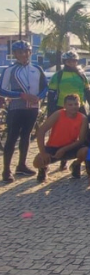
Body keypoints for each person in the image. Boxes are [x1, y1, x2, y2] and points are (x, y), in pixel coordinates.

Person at [0, 40, 48, 183]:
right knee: (12, 137)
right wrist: (21, 95)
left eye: (26, 51)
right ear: (14, 54)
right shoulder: (9, 70)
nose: (23, 55)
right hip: (16, 107)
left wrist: (38, 98)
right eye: (20, 52)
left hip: (32, 107)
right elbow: (2, 89)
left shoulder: (37, 69)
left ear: (30, 52)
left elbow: (44, 86)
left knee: (26, 135)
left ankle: (21, 165)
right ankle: (6, 170)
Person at [33, 94, 88, 182]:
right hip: (53, 147)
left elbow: (81, 140)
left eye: (76, 104)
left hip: (70, 147)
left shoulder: (83, 118)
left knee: (86, 151)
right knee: (37, 161)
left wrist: (64, 149)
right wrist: (43, 152)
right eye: (70, 105)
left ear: (80, 104)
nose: (74, 107)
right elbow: (41, 131)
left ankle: (76, 165)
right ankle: (43, 168)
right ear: (64, 106)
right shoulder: (58, 114)